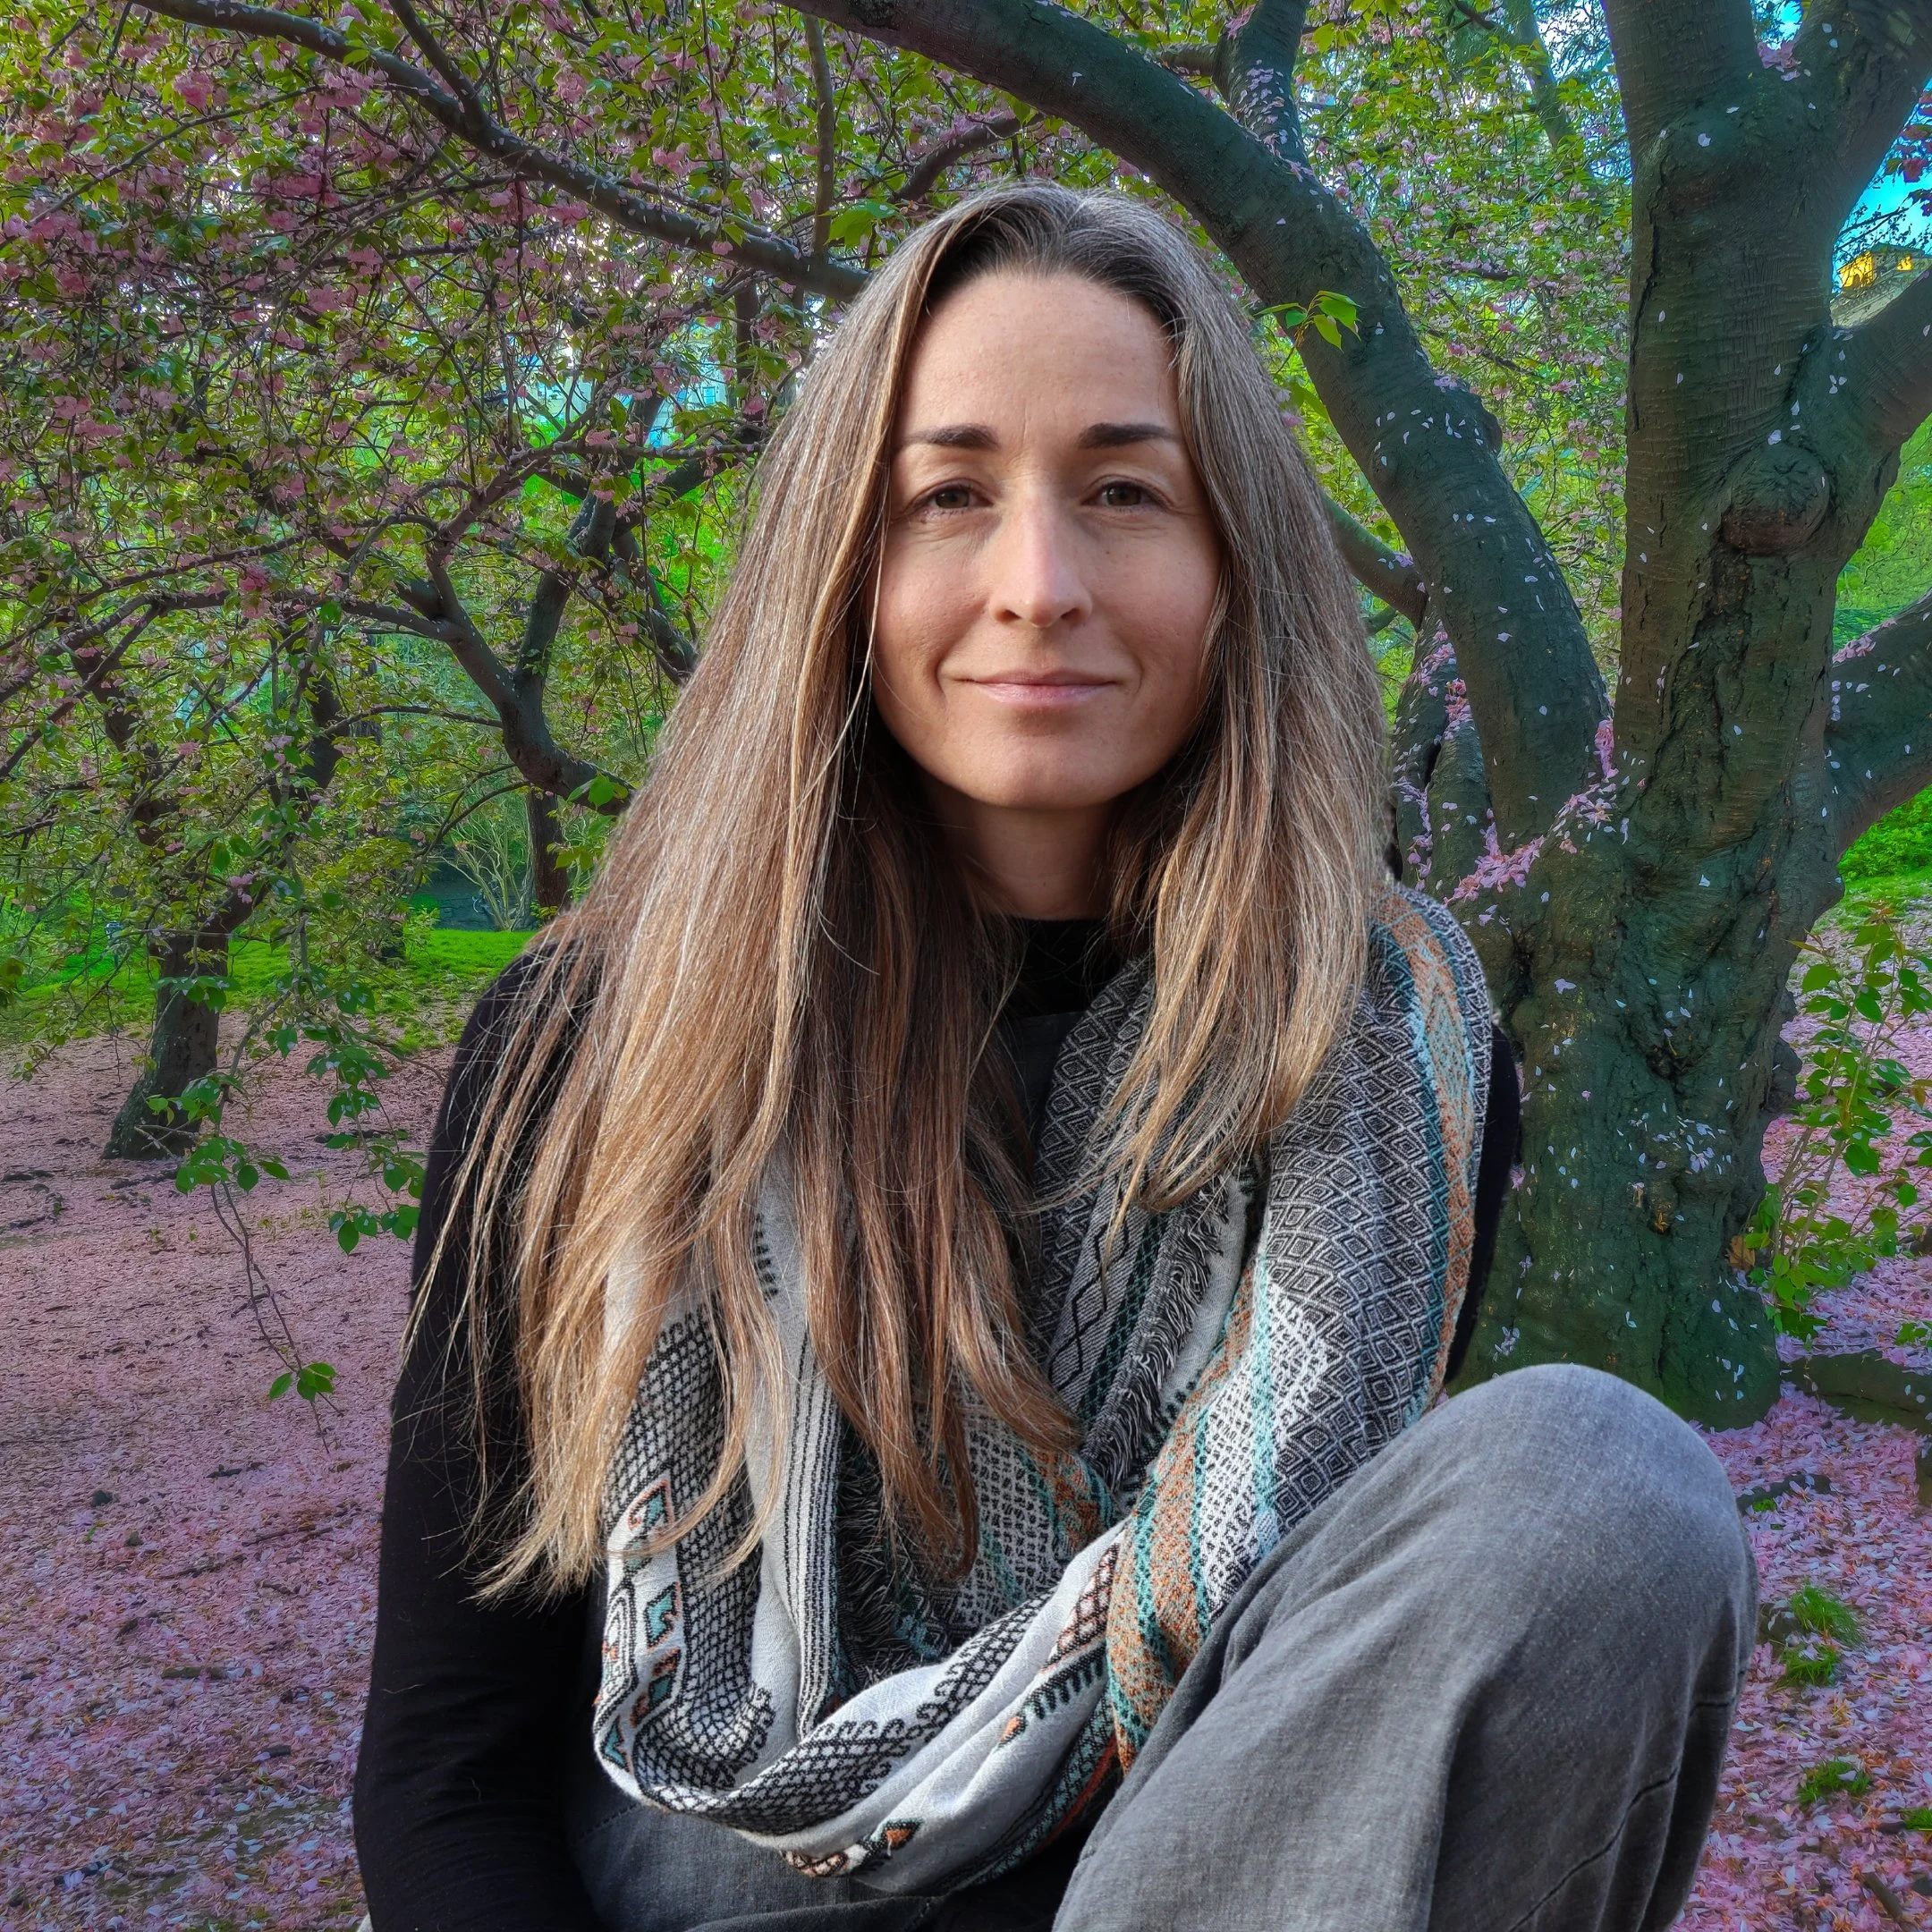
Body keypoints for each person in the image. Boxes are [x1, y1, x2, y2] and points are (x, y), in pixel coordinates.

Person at [352, 185, 1757, 1932]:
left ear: (1232, 562)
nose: (1040, 584)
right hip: (709, 1886)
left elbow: (1302, 1751)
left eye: (1123, 492)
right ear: (842, 572)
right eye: (948, 497)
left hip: (1175, 1870)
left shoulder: (1385, 1062)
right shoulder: (590, 1047)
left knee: (1596, 1486)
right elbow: (446, 1763)